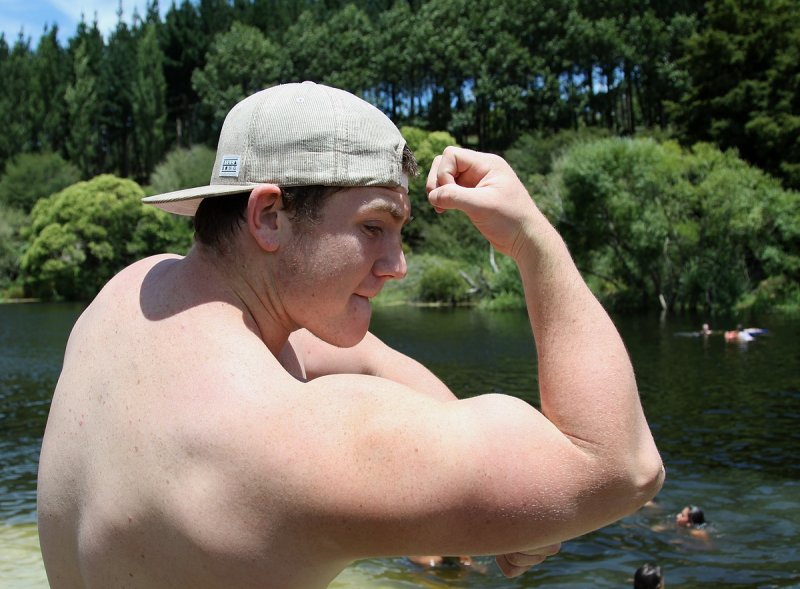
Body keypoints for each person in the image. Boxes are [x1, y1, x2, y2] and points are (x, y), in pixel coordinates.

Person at [37, 82, 664, 589]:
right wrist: (531, 238)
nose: (398, 265)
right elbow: (620, 466)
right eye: (373, 227)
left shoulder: (129, 297)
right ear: (269, 216)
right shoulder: (291, 442)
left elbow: (359, 355)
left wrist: (509, 509)